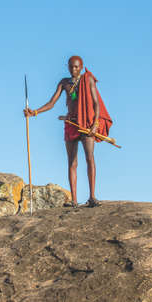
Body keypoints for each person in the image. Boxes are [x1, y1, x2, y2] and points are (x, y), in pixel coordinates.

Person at [24, 56, 112, 208]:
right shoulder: (64, 83)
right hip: (71, 123)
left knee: (89, 158)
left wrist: (95, 124)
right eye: (71, 67)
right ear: (68, 67)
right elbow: (52, 103)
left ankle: (92, 197)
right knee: (72, 162)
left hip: (86, 123)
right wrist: (35, 112)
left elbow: (96, 103)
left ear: (81, 66)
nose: (74, 70)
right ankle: (74, 200)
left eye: (77, 67)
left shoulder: (88, 80)